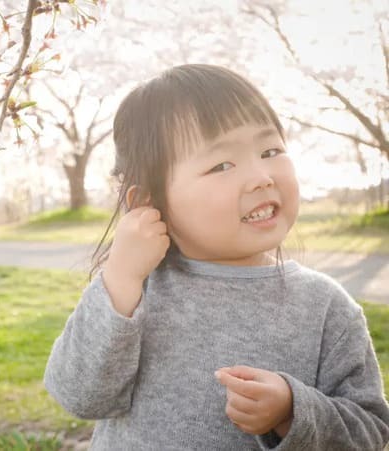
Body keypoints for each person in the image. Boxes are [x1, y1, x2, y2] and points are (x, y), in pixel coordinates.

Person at [43, 64, 389, 450]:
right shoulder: (134, 292)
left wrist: (292, 411)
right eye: (222, 165)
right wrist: (119, 281)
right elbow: (79, 396)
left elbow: (370, 433)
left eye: (271, 150)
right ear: (148, 202)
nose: (261, 176)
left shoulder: (325, 307)